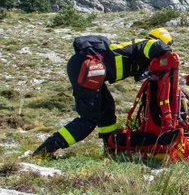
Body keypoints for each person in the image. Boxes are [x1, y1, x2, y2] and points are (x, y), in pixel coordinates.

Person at [33, 28, 173, 157]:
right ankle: (44, 151)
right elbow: (158, 47)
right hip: (90, 67)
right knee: (88, 119)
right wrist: (169, 55)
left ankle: (110, 150)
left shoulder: (138, 47)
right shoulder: (149, 43)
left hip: (89, 67)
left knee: (107, 110)